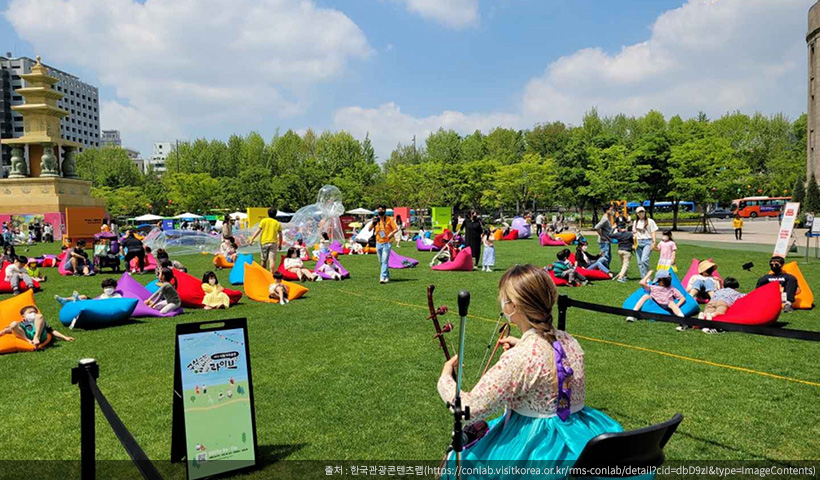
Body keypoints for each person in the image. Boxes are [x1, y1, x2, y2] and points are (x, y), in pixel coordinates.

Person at [437, 264, 627, 472]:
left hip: (536, 444)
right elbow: (553, 369)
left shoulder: (520, 358)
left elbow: (468, 410)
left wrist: (445, 379)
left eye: (504, 299)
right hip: (581, 434)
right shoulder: (569, 341)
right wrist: (524, 344)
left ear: (514, 306)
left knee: (460, 465)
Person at [0, 306, 73, 348]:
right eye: (30, 313)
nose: (33, 314)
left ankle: (36, 337)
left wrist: (65, 337)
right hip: (27, 336)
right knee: (13, 324)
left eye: (34, 312)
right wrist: (4, 331)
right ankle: (28, 341)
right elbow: (12, 329)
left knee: (40, 316)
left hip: (40, 335)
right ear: (23, 316)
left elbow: (52, 331)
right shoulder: (23, 323)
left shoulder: (39, 320)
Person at [249, 207, 284, 274]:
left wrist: (252, 239)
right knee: (272, 259)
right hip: (273, 242)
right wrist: (280, 244)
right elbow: (280, 235)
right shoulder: (277, 223)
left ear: (268, 213)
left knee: (264, 259)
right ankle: (271, 273)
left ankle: (263, 273)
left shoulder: (264, 221)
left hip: (264, 242)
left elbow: (258, 230)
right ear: (275, 214)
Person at [372, 206, 398, 284]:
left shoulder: (389, 219)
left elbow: (396, 229)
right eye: (379, 210)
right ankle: (386, 276)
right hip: (378, 243)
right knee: (381, 261)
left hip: (387, 242)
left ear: (385, 211)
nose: (380, 211)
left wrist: (391, 234)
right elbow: (369, 229)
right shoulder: (376, 219)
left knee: (384, 260)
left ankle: (382, 277)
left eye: (382, 210)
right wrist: (373, 223)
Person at [632, 206, 658, 279]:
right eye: (639, 212)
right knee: (639, 262)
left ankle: (648, 276)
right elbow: (634, 233)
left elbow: (653, 232)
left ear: (645, 212)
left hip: (647, 241)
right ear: (636, 214)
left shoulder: (650, 221)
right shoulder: (635, 222)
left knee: (644, 260)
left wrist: (654, 242)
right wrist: (634, 243)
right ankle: (643, 277)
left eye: (642, 212)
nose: (641, 214)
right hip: (638, 242)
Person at [55, 278, 122, 304]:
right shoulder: (103, 295)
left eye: (110, 287)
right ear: (103, 289)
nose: (108, 289)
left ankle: (77, 300)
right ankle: (65, 299)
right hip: (96, 303)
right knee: (84, 296)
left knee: (85, 300)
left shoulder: (117, 295)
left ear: (115, 288)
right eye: (106, 287)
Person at [594, 204, 614, 269]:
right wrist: (601, 236)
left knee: (608, 256)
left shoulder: (607, 218)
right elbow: (596, 227)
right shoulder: (605, 219)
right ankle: (602, 269)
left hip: (607, 240)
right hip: (604, 241)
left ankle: (606, 270)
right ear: (607, 210)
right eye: (611, 210)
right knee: (605, 257)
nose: (612, 211)